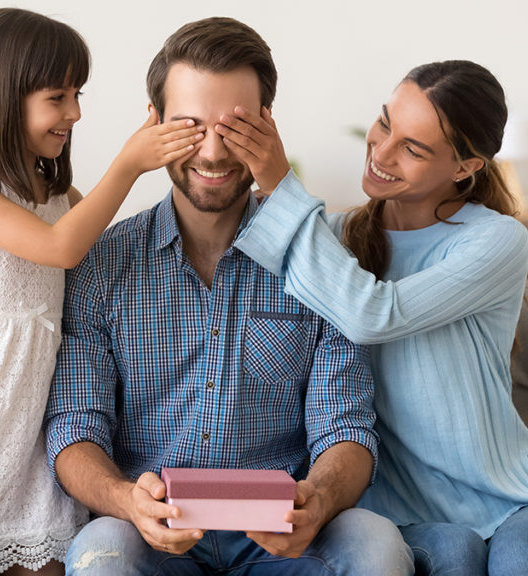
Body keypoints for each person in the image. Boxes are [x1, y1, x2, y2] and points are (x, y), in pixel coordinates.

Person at [44, 17, 413, 576]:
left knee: (378, 547)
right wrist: (127, 502)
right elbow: (74, 427)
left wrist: (319, 498)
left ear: (267, 124)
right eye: (190, 127)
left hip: (283, 537)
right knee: (102, 558)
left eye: (235, 128)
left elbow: (347, 428)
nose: (213, 153)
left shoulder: (319, 264)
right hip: (151, 534)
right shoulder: (102, 264)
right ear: (154, 123)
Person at [220, 60, 528, 576]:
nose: (382, 151)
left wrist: (283, 183)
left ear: (465, 167)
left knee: (518, 561)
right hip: (403, 514)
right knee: (453, 555)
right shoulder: (337, 238)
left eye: (413, 149)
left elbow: (373, 313)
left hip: (513, 503)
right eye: (385, 123)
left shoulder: (494, 240)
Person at [0, 8, 203, 576]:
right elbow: (61, 248)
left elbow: (106, 252)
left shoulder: (55, 191)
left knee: (44, 556)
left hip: (25, 419)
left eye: (78, 94)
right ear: (2, 96)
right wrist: (129, 164)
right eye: (58, 97)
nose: (76, 113)